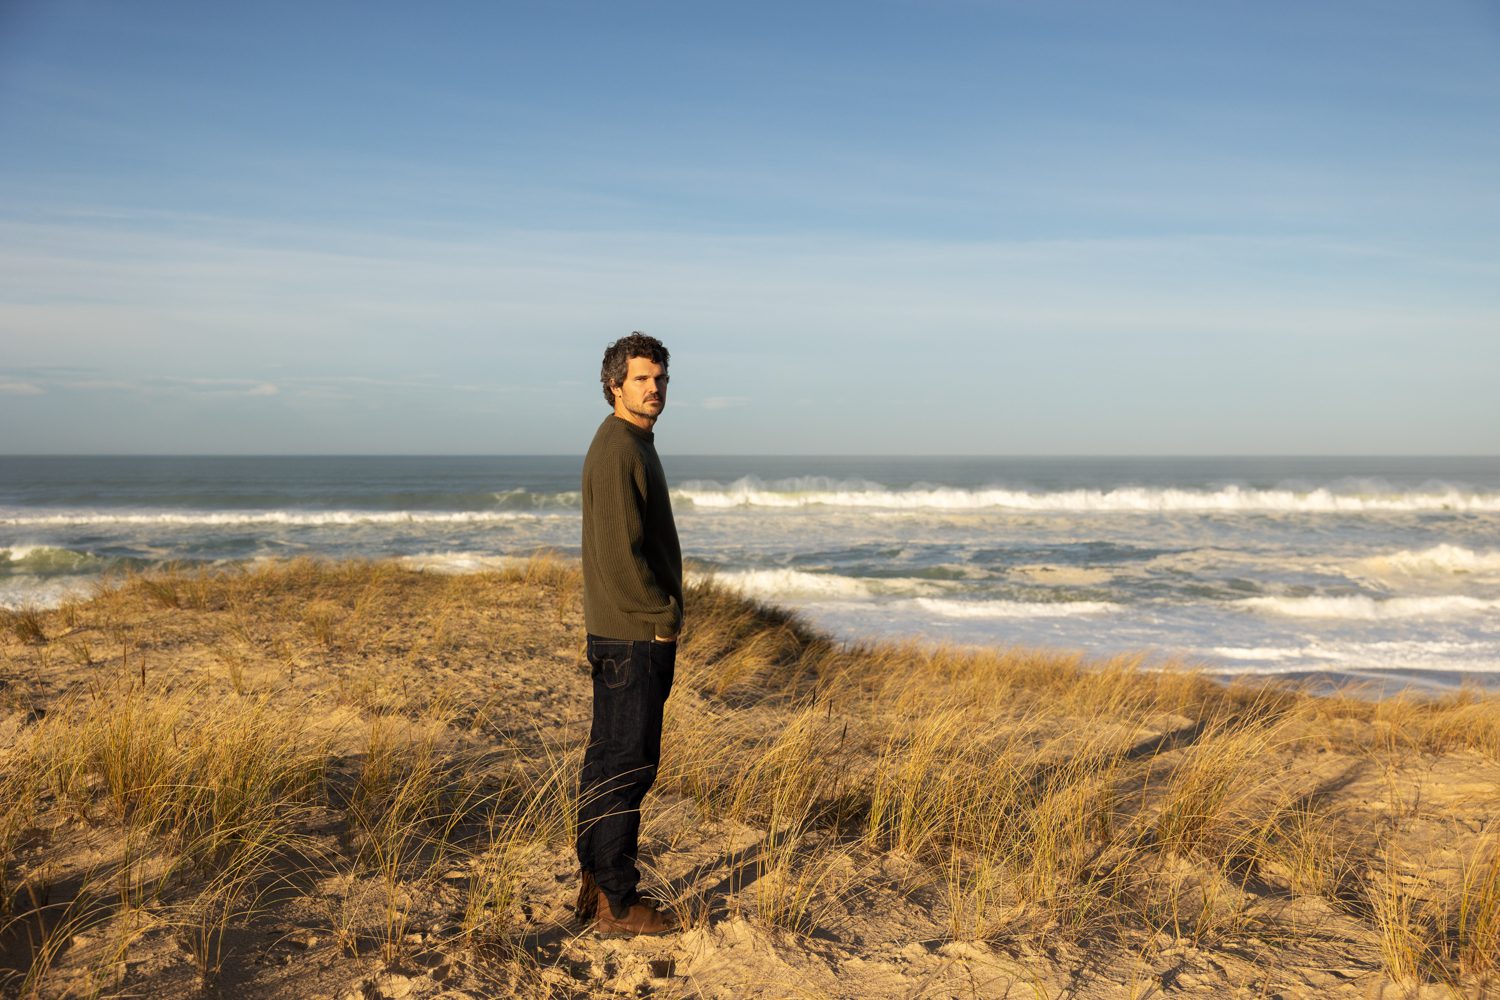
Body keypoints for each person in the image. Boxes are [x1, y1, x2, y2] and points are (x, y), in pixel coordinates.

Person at [572, 332, 683, 936]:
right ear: (615, 384)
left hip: (624, 633)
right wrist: (663, 621)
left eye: (661, 378)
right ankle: (619, 902)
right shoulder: (618, 448)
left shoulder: (632, 442)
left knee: (607, 761)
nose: (655, 388)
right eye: (642, 379)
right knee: (626, 767)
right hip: (633, 636)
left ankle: (595, 882)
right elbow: (620, 559)